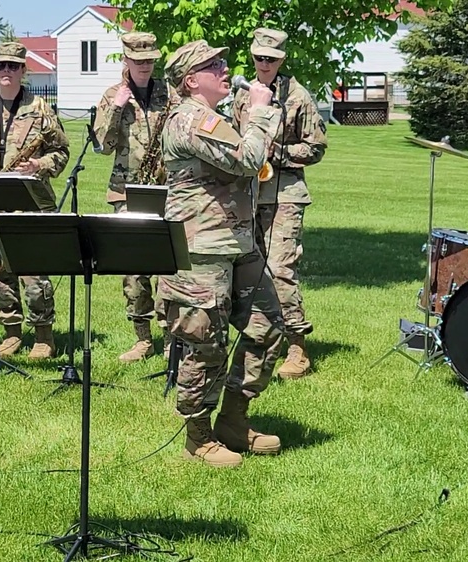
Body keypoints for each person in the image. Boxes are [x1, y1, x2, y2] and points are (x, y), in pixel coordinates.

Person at [159, 39, 285, 469]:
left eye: (224, 61)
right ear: (192, 80)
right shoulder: (190, 119)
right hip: (201, 250)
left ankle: (233, 420)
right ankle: (198, 437)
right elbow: (249, 158)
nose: (226, 68)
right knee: (205, 345)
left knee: (267, 328)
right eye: (214, 65)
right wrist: (262, 109)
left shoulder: (216, 116)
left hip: (237, 245)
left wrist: (251, 114)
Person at [0, 41, 70, 360]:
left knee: (34, 271)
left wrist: (39, 166)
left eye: (13, 66)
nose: (6, 71)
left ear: (23, 69)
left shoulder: (41, 109)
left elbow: (61, 152)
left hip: (32, 202)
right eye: (1, 66)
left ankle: (44, 336)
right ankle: (11, 333)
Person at [231, 28, 327, 379]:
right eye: (259, 58)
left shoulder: (298, 96)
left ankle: (297, 345)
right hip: (249, 193)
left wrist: (279, 153)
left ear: (282, 60)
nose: (265, 64)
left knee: (280, 267)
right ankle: (258, 336)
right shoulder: (243, 95)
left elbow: (315, 148)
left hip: (285, 193)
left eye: (271, 59)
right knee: (248, 267)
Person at [92, 31, 179, 363]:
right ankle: (142, 339)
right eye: (138, 60)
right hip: (126, 191)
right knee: (134, 270)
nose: (144, 66)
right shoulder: (113, 95)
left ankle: (172, 336)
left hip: (167, 190)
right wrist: (116, 109)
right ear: (126, 60)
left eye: (149, 60)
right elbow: (102, 146)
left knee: (169, 266)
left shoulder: (171, 94)